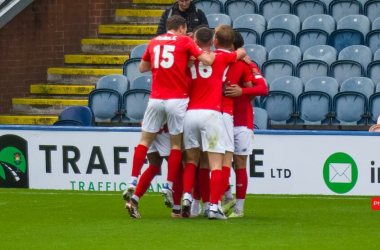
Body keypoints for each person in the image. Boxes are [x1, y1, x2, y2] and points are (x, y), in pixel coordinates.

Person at [124, 15, 215, 218]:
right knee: (181, 156)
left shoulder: (155, 41)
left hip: (154, 103)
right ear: (182, 28)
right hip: (175, 103)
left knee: (153, 162)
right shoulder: (186, 42)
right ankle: (174, 201)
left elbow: (142, 68)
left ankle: (133, 190)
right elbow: (207, 59)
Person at [181, 25, 246, 220]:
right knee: (216, 164)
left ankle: (187, 198)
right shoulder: (221, 56)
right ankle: (214, 207)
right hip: (211, 113)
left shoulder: (190, 59)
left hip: (190, 114)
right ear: (212, 41)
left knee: (192, 160)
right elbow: (240, 52)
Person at [223, 32, 268, 218]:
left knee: (239, 162)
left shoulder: (245, 64)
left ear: (232, 45)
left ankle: (239, 208)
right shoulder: (215, 61)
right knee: (217, 161)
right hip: (221, 118)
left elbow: (262, 88)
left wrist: (242, 91)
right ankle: (227, 197)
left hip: (241, 119)